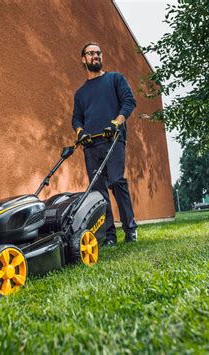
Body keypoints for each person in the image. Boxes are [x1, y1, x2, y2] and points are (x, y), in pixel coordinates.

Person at [71, 42, 138, 247]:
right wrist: (81, 132)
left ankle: (130, 229)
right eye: (91, 53)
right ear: (84, 59)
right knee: (98, 192)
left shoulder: (115, 79)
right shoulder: (80, 93)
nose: (95, 56)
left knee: (117, 182)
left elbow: (129, 101)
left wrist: (117, 122)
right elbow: (76, 118)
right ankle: (109, 235)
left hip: (113, 138)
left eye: (98, 53)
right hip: (91, 144)